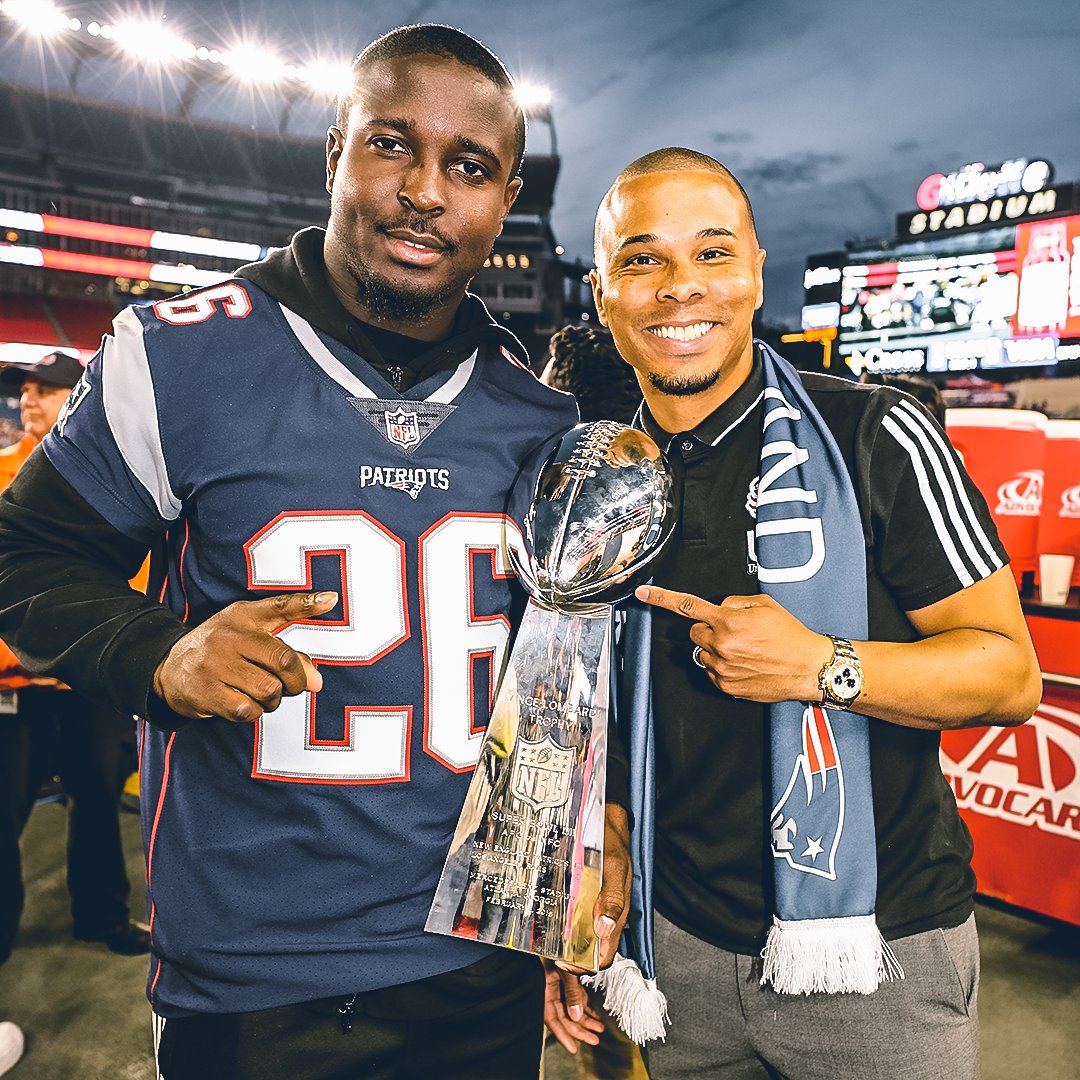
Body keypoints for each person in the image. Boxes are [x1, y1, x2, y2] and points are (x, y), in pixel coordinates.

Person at [0, 26, 586, 1079]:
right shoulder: (175, 358)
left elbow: (561, 691)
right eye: (392, 144)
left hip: (480, 967)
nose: (425, 192)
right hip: (251, 975)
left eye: (469, 166)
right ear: (334, 153)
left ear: (505, 201)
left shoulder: (536, 414)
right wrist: (157, 652)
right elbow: (24, 553)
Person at [549, 148, 1041, 1080]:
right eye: (643, 260)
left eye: (713, 253)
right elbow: (601, 713)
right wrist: (587, 879)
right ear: (603, 293)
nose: (681, 287)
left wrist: (821, 664)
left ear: (756, 271)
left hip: (877, 959)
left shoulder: (875, 435)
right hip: (673, 948)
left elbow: (1010, 675)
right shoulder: (600, 478)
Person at [0, 351, 149, 962]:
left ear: (80, 396)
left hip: (90, 680)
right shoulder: (2, 470)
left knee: (98, 802)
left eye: (47, 389)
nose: (29, 399)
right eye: (27, 389)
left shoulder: (116, 480)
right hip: (14, 687)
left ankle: (102, 916)